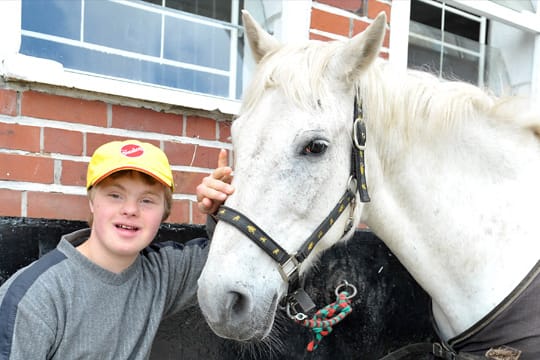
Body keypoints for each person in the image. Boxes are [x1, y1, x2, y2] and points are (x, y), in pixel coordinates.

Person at [0, 139, 233, 360]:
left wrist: (224, 212)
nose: (130, 209)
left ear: (164, 213)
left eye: (147, 200)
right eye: (115, 195)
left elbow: (226, 262)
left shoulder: (162, 273)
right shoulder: (35, 297)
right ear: (92, 202)